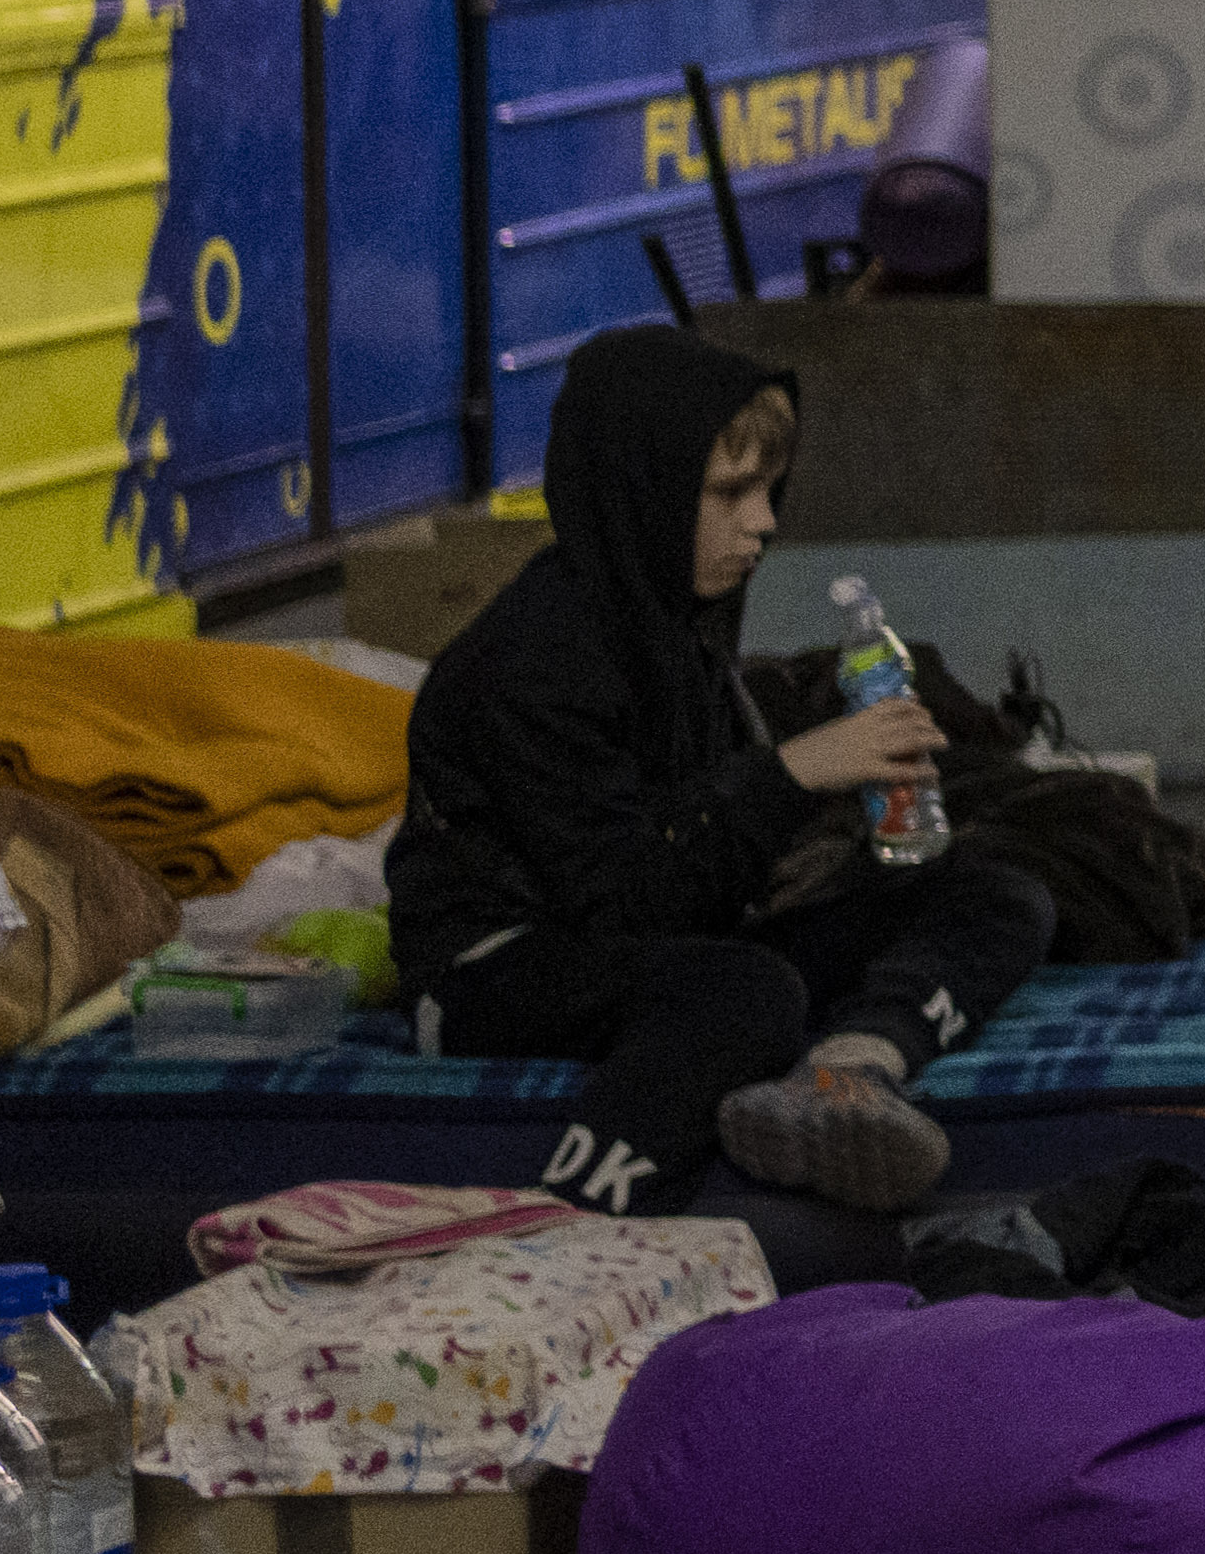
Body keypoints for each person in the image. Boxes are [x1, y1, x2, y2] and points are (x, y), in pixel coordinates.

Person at [389, 324, 1040, 1215]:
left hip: (657, 930)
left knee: (993, 889)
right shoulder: (531, 658)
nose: (764, 523)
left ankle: (847, 1073)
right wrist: (794, 773)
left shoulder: (678, 621)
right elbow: (617, 895)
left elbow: (695, 858)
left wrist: (843, 814)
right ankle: (573, 1216)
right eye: (732, 492)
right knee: (743, 992)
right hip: (504, 961)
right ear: (644, 493)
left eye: (769, 490)